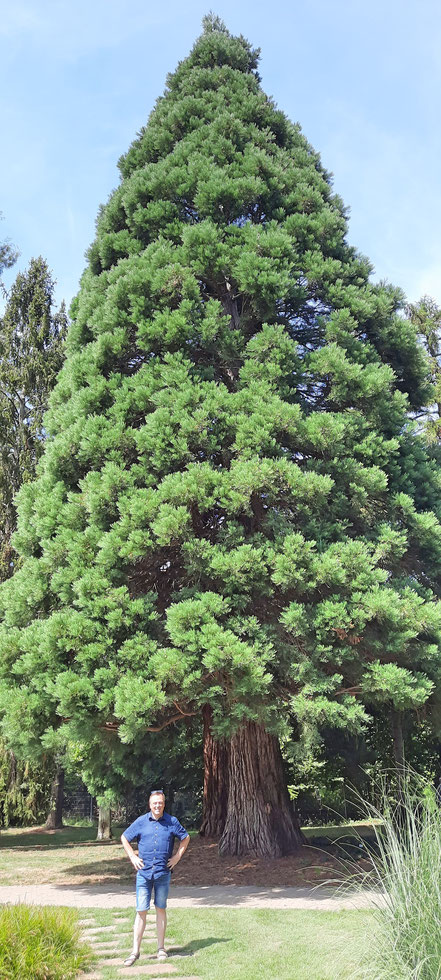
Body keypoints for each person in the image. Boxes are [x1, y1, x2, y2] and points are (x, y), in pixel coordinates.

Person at [121, 788, 190, 967]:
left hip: (162, 873)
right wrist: (132, 857)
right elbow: (124, 837)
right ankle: (135, 951)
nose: (157, 806)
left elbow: (186, 838)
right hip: (143, 874)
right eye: (154, 803)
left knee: (160, 909)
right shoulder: (141, 821)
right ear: (150, 805)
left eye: (160, 803)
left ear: (164, 804)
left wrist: (177, 857)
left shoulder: (172, 821)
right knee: (141, 911)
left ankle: (161, 948)